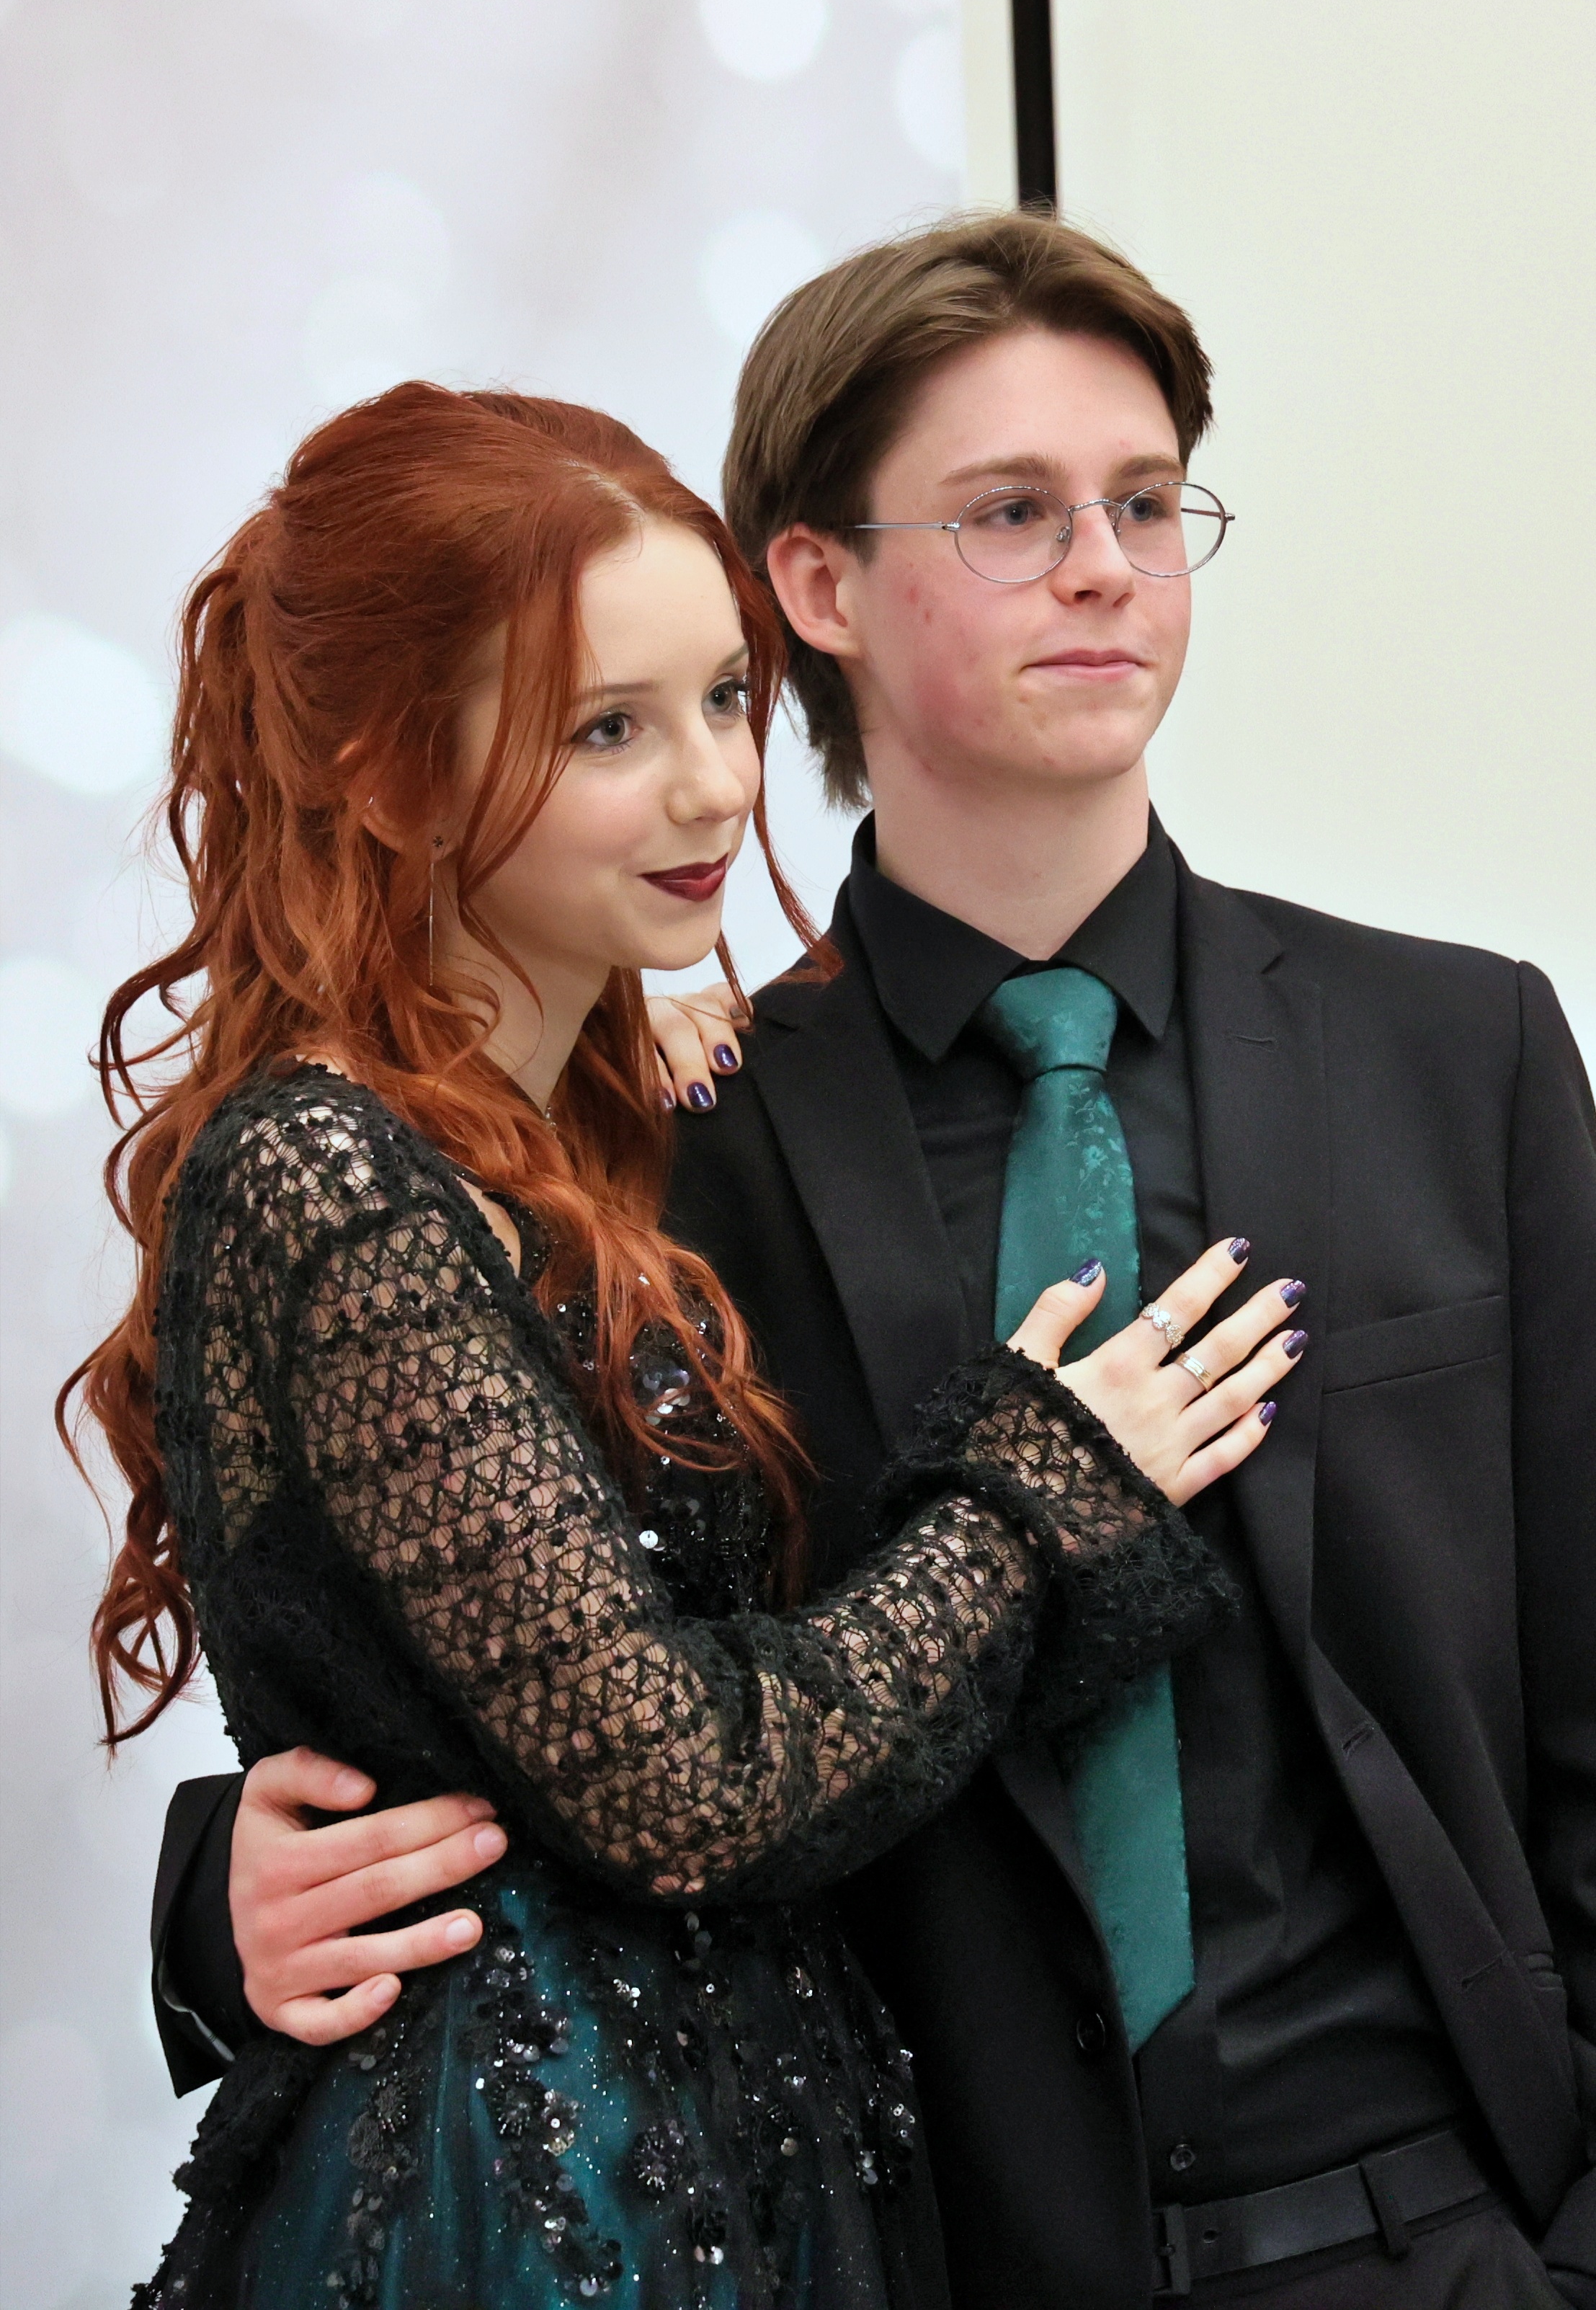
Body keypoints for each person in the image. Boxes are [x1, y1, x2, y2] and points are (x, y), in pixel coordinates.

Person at [146, 216, 1596, 2306]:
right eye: (1012, 512)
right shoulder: (641, 1150)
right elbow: (518, 1670)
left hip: (1442, 2239)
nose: (1103, 567)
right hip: (918, 2251)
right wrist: (222, 1898)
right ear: (815, 584)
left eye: (1147, 501)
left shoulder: (1461, 1053)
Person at [68, 379, 1293, 2309]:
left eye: (725, 700)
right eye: (607, 729)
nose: (720, 786)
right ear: (385, 775)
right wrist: (1039, 1492)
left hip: (767, 2179)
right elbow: (677, 1780)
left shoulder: (630, 1128)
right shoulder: (331, 1172)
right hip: (539, 2223)